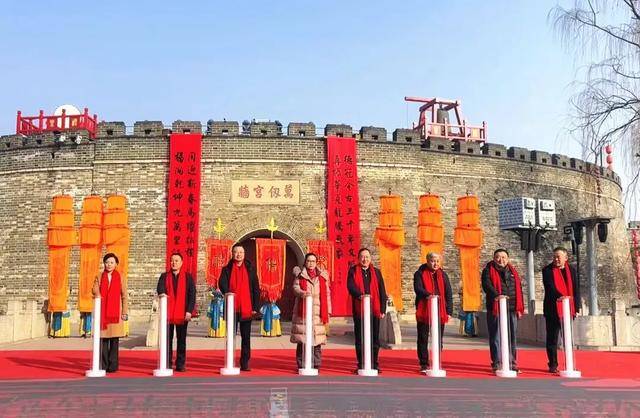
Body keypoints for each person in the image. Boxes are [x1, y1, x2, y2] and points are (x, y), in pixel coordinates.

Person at [481, 248, 524, 372]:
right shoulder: (488, 270)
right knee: (495, 336)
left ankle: (512, 362)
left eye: (503, 257)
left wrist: (520, 307)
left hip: (511, 308)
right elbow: (487, 285)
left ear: (508, 258)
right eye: (498, 257)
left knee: (512, 336)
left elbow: (518, 289)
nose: (501, 260)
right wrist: (497, 295)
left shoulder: (513, 272)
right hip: (495, 308)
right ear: (494, 259)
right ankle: (497, 362)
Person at [219, 244, 260, 371]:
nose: (238, 254)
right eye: (236, 252)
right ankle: (230, 360)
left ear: (244, 254)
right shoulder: (226, 269)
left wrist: (255, 307)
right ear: (232, 254)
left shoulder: (250, 269)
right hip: (232, 307)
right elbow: (222, 283)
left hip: (247, 308)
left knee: (246, 337)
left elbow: (256, 289)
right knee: (231, 336)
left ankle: (245, 362)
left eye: (241, 252)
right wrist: (228, 293)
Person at [347, 248, 388, 373]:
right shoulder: (353, 271)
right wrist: (360, 295)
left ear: (370, 258)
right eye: (362, 257)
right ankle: (361, 364)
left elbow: (382, 291)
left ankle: (374, 364)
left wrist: (382, 309)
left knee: (374, 338)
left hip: (374, 310)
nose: (365, 259)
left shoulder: (376, 272)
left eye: (367, 257)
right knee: (360, 338)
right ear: (358, 258)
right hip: (359, 309)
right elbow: (350, 286)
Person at [542, 246, 581, 373]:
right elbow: (550, 287)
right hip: (552, 309)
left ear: (566, 257)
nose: (556, 259)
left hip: (568, 309)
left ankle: (569, 363)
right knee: (552, 338)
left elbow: (576, 289)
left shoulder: (572, 270)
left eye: (558, 257)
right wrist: (561, 297)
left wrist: (577, 305)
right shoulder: (547, 270)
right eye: (554, 257)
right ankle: (553, 364)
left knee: (568, 337)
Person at [290, 253, 332, 370]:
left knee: (317, 339)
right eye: (309, 261)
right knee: (302, 339)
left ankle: (316, 363)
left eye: (313, 261)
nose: (311, 263)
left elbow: (327, 294)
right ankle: (301, 364)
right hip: (303, 312)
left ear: (316, 263)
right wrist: (303, 293)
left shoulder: (322, 277)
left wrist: (328, 311)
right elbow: (295, 288)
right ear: (305, 262)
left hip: (318, 313)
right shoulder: (300, 275)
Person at [413, 252, 452, 374]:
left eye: (437, 261)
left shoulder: (443, 275)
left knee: (438, 337)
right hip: (424, 309)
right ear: (427, 261)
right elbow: (418, 288)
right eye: (433, 261)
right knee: (423, 337)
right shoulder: (420, 273)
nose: (435, 263)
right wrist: (430, 295)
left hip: (440, 310)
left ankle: (436, 360)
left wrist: (449, 311)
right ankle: (424, 363)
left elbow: (448, 293)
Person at [156, 252, 196, 372]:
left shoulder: (188, 277)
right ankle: (167, 362)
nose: (174, 263)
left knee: (181, 339)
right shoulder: (164, 276)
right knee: (167, 339)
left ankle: (180, 363)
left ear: (181, 262)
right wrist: (162, 293)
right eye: (172, 260)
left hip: (182, 312)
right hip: (167, 313)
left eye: (176, 260)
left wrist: (189, 311)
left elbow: (192, 295)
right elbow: (160, 289)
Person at [92, 253, 128, 373]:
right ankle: (103, 365)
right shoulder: (99, 276)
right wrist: (97, 293)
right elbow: (94, 289)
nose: (109, 265)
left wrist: (124, 312)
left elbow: (124, 296)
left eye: (112, 262)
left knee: (114, 340)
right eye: (107, 262)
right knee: (103, 340)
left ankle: (113, 365)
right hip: (102, 313)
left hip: (115, 313)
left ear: (116, 264)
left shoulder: (120, 277)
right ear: (104, 263)